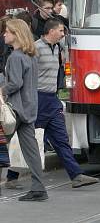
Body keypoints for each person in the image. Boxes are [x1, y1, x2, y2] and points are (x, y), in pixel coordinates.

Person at [8, 19, 98, 188]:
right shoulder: (35, 49)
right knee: (26, 136)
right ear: (50, 31)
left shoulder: (57, 48)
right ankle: (12, 175)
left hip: (51, 98)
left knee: (60, 137)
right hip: (37, 97)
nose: (63, 34)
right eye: (60, 31)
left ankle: (76, 175)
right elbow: (27, 73)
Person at [1, 19, 47, 201]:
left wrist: (1, 90)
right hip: (28, 108)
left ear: (16, 34)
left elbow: (15, 83)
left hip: (14, 109)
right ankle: (39, 188)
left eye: (7, 32)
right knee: (31, 150)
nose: (4, 34)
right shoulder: (31, 56)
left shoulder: (15, 57)